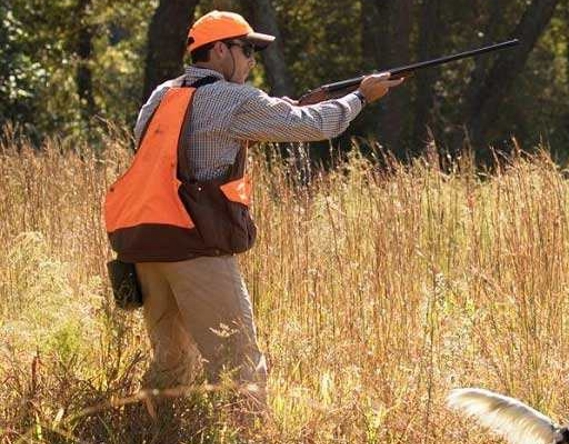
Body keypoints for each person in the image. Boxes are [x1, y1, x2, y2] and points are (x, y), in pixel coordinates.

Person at [109, 10, 403, 415]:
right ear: (219, 51)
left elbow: (186, 149)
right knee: (239, 365)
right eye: (246, 49)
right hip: (196, 249)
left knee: (170, 363)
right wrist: (360, 97)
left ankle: (151, 440)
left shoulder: (162, 95)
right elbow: (317, 125)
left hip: (145, 246)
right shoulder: (233, 98)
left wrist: (281, 110)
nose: (251, 60)